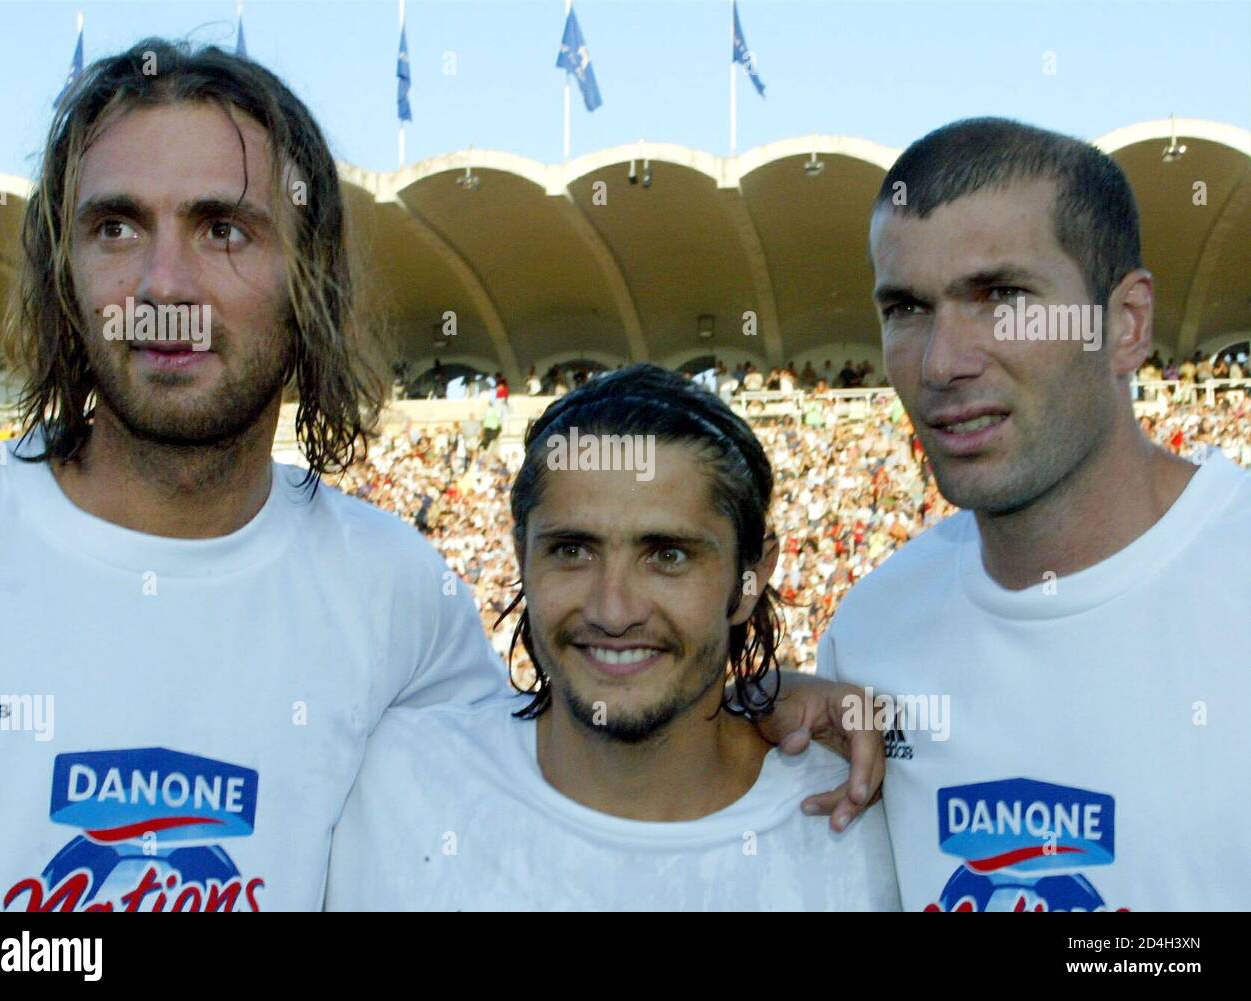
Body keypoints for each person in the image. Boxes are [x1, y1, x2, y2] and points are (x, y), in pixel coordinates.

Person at [0, 38, 506, 912]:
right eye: (116, 227)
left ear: (308, 274)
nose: (164, 283)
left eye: (223, 229)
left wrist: (774, 727)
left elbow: (554, 803)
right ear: (65, 275)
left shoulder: (400, 597)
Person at [826, 116, 1251, 910]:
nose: (943, 362)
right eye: (907, 308)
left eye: (1002, 297)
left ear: (1124, 323)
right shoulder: (871, 632)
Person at [327, 365, 900, 910]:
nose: (613, 609)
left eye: (668, 555)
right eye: (572, 551)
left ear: (751, 578)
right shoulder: (390, 785)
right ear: (521, 558)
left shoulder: (870, 828)